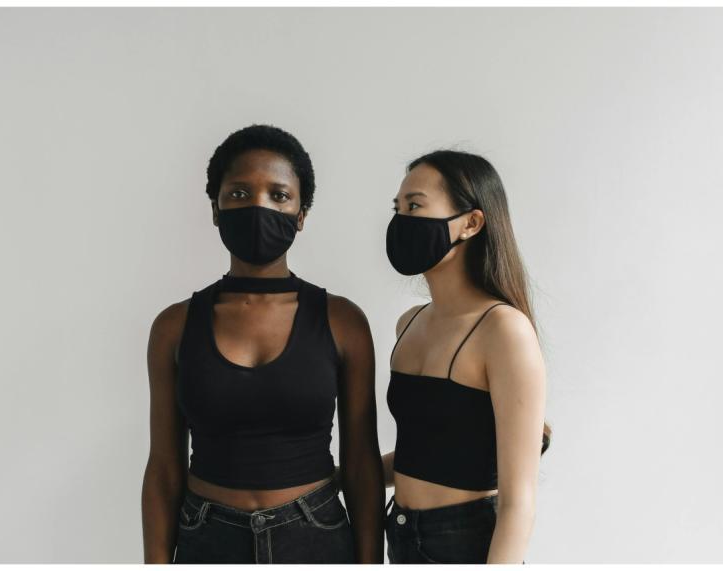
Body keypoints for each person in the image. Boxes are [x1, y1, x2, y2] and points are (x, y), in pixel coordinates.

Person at [141, 124, 384, 563]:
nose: (258, 207)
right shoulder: (173, 327)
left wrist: (370, 562)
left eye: (279, 195)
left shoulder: (343, 321)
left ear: (301, 214)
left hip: (316, 537)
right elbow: (163, 468)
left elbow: (361, 462)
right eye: (239, 194)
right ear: (215, 209)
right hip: (207, 539)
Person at [381, 149, 551, 564]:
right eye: (398, 207)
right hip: (401, 536)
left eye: (415, 205)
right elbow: (424, 455)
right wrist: (324, 480)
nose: (402, 220)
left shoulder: (503, 330)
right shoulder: (409, 324)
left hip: (467, 545)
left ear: (472, 223)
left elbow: (519, 502)